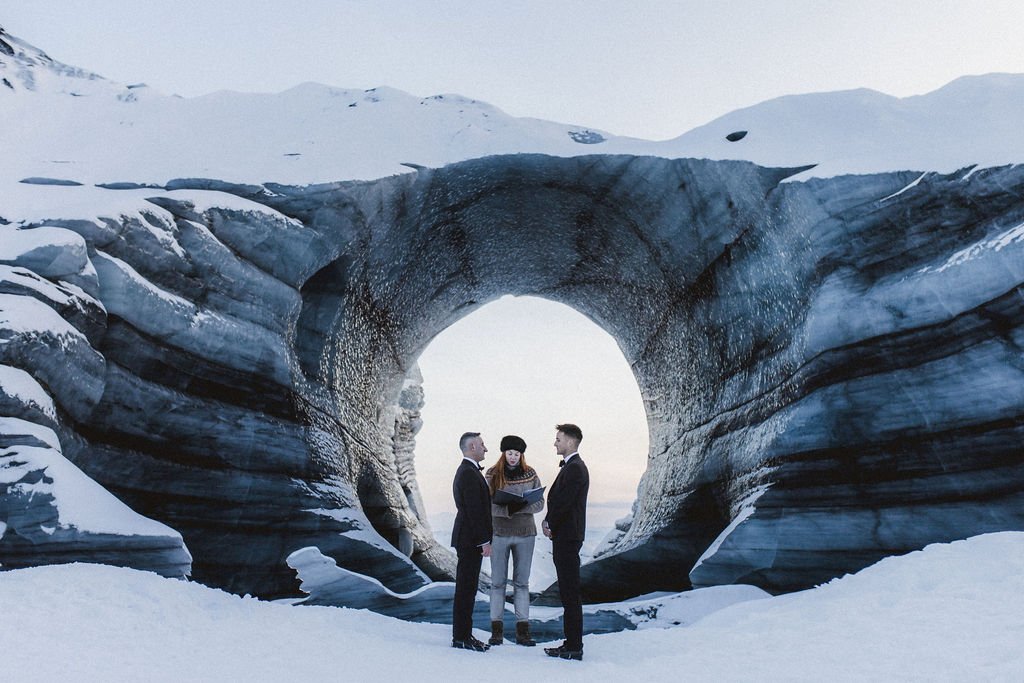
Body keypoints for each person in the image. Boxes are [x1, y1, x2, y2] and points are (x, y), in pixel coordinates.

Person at [484, 435, 544, 647]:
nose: (512, 457)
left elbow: (539, 504)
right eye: (509, 453)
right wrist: (507, 509)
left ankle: (523, 632)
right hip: (499, 533)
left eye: (516, 454)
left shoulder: (530, 473)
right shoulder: (492, 474)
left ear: (521, 455)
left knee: (522, 583)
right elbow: (486, 505)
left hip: (526, 533)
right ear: (503, 453)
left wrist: (521, 506)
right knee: (498, 583)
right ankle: (496, 632)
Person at [541, 423, 589, 661]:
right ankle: (571, 643)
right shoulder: (572, 467)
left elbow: (564, 503)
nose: (555, 443)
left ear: (570, 441)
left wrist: (550, 523)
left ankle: (574, 646)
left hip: (568, 536)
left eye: (558, 439)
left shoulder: (575, 469)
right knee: (568, 592)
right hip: (566, 535)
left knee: (570, 593)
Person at [450, 431, 493, 652]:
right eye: (483, 445)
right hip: (469, 540)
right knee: (466, 589)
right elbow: (474, 511)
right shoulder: (468, 473)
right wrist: (484, 541)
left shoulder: (469, 471)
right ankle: (461, 638)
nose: (486, 449)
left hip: (468, 539)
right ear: (472, 447)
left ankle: (464, 635)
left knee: (468, 588)